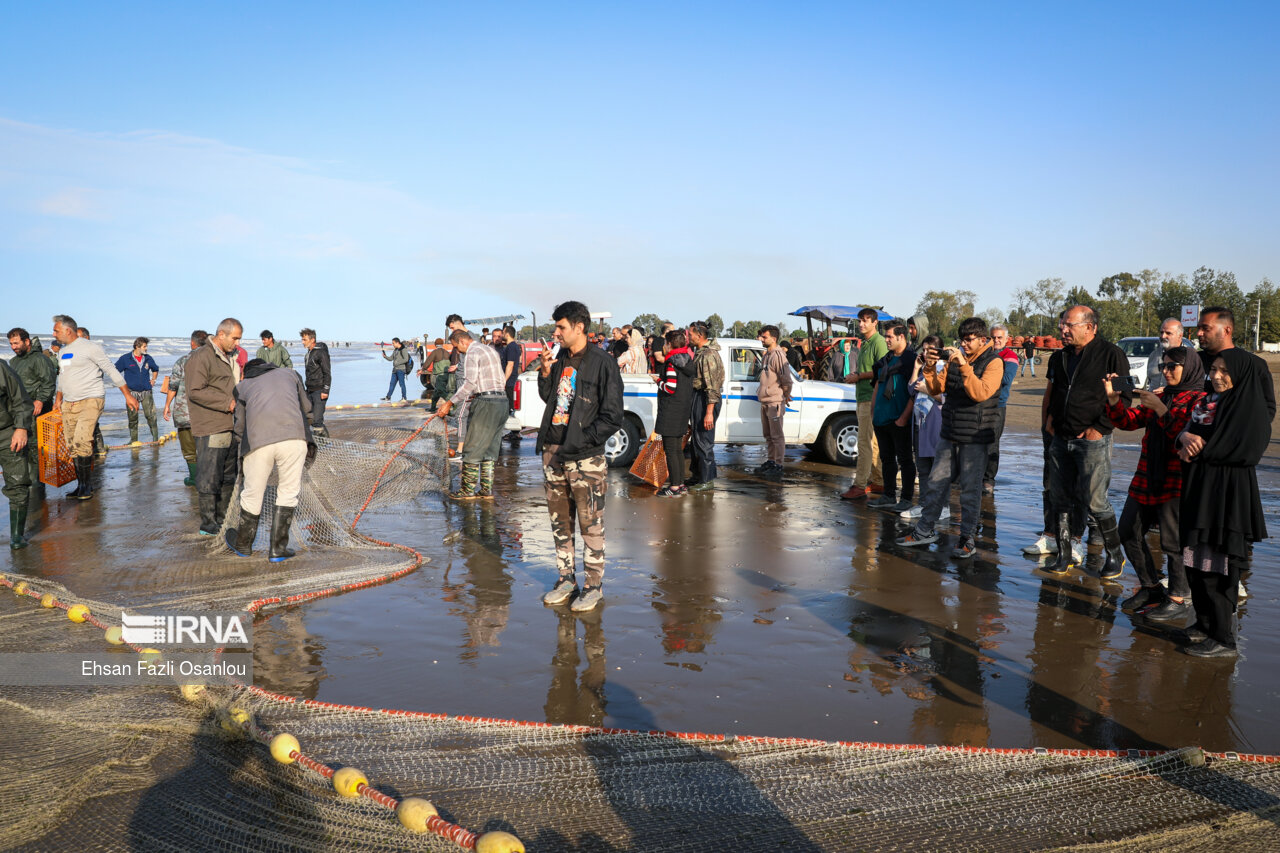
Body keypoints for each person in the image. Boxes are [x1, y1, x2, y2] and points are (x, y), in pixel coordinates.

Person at [1176, 348, 1273, 658]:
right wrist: (1183, 439)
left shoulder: (1248, 407)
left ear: (1240, 375)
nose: (1216, 376)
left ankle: (1223, 637)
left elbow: (1245, 451)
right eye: (1214, 369)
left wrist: (1196, 450)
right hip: (1200, 489)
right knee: (1195, 558)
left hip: (1227, 496)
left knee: (1219, 565)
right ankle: (1204, 626)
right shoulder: (1208, 402)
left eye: (1224, 371)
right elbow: (1189, 433)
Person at [1104, 346, 1205, 620]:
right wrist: (1114, 401)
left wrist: (1161, 408)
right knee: (1126, 531)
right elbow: (1128, 421)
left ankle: (1179, 596)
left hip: (1175, 480)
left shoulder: (1200, 400)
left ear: (1191, 368)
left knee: (1174, 543)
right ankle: (1150, 586)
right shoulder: (1162, 396)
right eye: (1164, 366)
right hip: (1147, 475)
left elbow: (1185, 437)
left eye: (1173, 366)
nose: (1166, 371)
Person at [537, 300, 624, 613]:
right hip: (553, 452)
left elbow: (613, 415)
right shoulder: (560, 359)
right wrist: (546, 371)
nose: (556, 332)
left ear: (579, 327)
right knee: (560, 523)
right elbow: (551, 398)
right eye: (556, 326)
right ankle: (565, 580)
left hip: (585, 459)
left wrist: (582, 440)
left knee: (590, 524)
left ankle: (593, 586)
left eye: (561, 327)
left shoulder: (603, 363)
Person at [895, 318, 1004, 559]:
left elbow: (980, 393)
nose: (964, 344)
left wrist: (963, 364)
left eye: (969, 340)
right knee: (936, 483)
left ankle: (967, 537)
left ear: (983, 340)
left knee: (969, 490)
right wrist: (930, 367)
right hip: (950, 432)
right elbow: (935, 390)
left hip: (975, 437)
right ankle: (924, 530)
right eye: (962, 340)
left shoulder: (994, 362)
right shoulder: (955, 361)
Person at [1042, 306, 1131, 576]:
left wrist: (1099, 428)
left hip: (1093, 440)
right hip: (1060, 436)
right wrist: (1048, 420)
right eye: (1061, 325)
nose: (1063, 330)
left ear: (1090, 327)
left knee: (1095, 502)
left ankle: (1115, 555)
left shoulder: (1111, 354)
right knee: (1059, 498)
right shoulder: (1059, 357)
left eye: (1069, 325)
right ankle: (1065, 553)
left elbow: (1124, 397)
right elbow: (1055, 390)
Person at [226, 358, 315, 561]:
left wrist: (240, 448)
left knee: (252, 493)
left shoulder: (242, 386)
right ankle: (277, 549)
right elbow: (307, 407)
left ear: (247, 372)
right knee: (288, 492)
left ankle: (243, 545)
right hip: (294, 440)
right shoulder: (290, 374)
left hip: (259, 444)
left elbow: (239, 426)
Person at [51, 315, 137, 500]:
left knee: (82, 441)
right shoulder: (62, 351)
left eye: (56, 330)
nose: (54, 333)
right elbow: (62, 378)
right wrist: (58, 399)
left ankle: (87, 487)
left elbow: (110, 369)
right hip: (69, 403)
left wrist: (127, 394)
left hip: (91, 399)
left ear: (68, 330)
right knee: (72, 445)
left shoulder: (91, 348)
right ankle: (80, 485)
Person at [434, 329, 508, 499]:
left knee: (472, 447)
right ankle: (486, 490)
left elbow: (469, 384)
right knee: (490, 449)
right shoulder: (490, 350)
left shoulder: (472, 353)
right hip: (502, 402)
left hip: (486, 404)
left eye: (456, 347)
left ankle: (467, 490)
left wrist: (449, 402)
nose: (457, 351)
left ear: (462, 342)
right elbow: (498, 379)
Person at [186, 318, 243, 535]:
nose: (237, 343)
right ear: (221, 334)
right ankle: (209, 525)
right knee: (210, 476)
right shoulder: (201, 357)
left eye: (238, 338)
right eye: (234, 338)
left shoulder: (229, 357)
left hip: (230, 425)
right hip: (211, 426)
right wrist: (226, 403)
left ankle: (224, 519)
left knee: (229, 475)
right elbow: (194, 391)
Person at [867, 324, 917, 513]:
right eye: (885, 336)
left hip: (899, 418)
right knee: (886, 458)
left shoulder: (911, 361)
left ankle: (906, 498)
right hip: (881, 418)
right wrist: (873, 412)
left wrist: (904, 417)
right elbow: (878, 386)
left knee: (905, 460)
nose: (886, 340)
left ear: (901, 337)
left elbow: (915, 393)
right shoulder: (885, 360)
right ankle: (888, 495)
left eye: (889, 337)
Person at [841, 308, 886, 500]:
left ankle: (859, 485)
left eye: (866, 321)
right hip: (863, 397)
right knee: (872, 443)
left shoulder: (879, 342)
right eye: (860, 321)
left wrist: (858, 376)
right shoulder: (865, 343)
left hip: (871, 398)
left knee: (864, 443)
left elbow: (883, 370)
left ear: (875, 323)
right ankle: (879, 482)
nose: (861, 324)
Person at [901, 335, 948, 521]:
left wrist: (928, 391)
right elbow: (911, 389)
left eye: (930, 350)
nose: (926, 353)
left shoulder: (945, 369)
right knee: (923, 469)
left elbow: (946, 397)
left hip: (937, 424)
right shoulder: (924, 369)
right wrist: (915, 367)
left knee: (939, 471)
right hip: (921, 423)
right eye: (925, 349)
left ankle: (943, 506)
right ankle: (923, 504)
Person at [7, 328, 55, 500]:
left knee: (35, 449)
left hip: (37, 411)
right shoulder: (13, 362)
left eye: (16, 343)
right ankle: (26, 484)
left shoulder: (40, 359)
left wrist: (40, 400)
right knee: (21, 449)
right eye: (11, 343)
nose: (13, 347)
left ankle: (37, 487)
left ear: (27, 342)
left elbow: (49, 382)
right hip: (19, 412)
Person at [654, 329, 696, 497]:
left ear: (670, 344)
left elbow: (670, 388)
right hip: (682, 410)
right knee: (677, 450)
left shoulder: (671, 362)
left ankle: (674, 487)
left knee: (671, 450)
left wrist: (658, 381)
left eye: (665, 343)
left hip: (671, 411)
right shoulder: (687, 360)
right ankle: (680, 484)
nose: (664, 346)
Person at [163, 330, 207, 487]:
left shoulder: (182, 361)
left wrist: (167, 405)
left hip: (184, 412)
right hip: (206, 413)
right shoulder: (212, 361)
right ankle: (206, 477)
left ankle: (194, 478)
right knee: (206, 447)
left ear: (192, 343)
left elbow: (173, 386)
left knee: (189, 448)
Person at [687, 321, 724, 491]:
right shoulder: (700, 352)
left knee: (704, 440)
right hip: (699, 397)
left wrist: (709, 412)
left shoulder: (709, 355)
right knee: (696, 439)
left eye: (690, 334)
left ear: (699, 336)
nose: (688, 337)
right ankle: (698, 476)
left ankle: (707, 480)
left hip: (706, 399)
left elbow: (713, 386)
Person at [0, 359, 33, 549]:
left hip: (7, 433)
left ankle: (16, 537)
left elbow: (20, 399)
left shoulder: (1, 367)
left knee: (18, 483)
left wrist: (21, 428)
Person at [983, 324, 1020, 494]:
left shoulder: (1010, 356)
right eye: (993, 337)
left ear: (1007, 338)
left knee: (992, 443)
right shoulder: (984, 353)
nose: (996, 340)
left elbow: (1006, 378)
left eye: (999, 337)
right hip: (980, 403)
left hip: (997, 405)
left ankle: (988, 480)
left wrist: (984, 374)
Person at [755, 325, 792, 477]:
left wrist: (786, 394)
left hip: (774, 401)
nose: (762, 339)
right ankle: (771, 461)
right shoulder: (766, 355)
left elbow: (786, 380)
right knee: (768, 435)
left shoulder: (778, 355)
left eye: (765, 337)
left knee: (777, 435)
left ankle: (778, 464)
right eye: (762, 337)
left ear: (774, 338)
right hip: (765, 401)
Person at [114, 336, 161, 444]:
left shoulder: (148, 358)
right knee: (132, 418)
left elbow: (155, 369)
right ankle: (133, 440)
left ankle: (155, 439)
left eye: (146, 346)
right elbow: (115, 372)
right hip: (131, 393)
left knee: (151, 416)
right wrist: (123, 385)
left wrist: (153, 379)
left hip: (146, 392)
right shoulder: (125, 359)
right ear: (137, 346)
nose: (146, 348)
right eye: (144, 346)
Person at [1146, 318, 1192, 391]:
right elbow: (1150, 381)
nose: (1163, 336)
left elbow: (1194, 385)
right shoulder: (1154, 355)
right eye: (1161, 332)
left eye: (1168, 333)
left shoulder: (1190, 356)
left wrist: (1167, 390)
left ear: (1180, 336)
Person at [300, 328, 331, 436]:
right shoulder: (308, 354)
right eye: (302, 339)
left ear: (312, 339)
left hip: (319, 390)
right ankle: (325, 439)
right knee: (310, 418)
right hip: (309, 390)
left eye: (304, 339)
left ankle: (321, 444)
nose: (302, 342)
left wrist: (325, 390)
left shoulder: (321, 353)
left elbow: (327, 373)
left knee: (317, 420)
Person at [500, 325, 523, 442]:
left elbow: (510, 365)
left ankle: (515, 433)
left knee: (511, 407)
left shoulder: (511, 347)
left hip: (510, 381)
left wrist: (504, 380)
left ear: (507, 334)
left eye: (503, 333)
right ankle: (514, 432)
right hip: (509, 380)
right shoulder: (510, 347)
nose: (501, 335)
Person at [381, 337, 412, 402]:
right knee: (392, 383)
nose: (393, 344)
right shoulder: (395, 350)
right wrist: (385, 357)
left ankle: (404, 398)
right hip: (395, 370)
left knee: (402, 384)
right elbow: (391, 358)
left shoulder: (403, 349)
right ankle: (388, 397)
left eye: (393, 343)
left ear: (397, 343)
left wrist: (397, 362)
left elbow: (406, 359)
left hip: (401, 370)